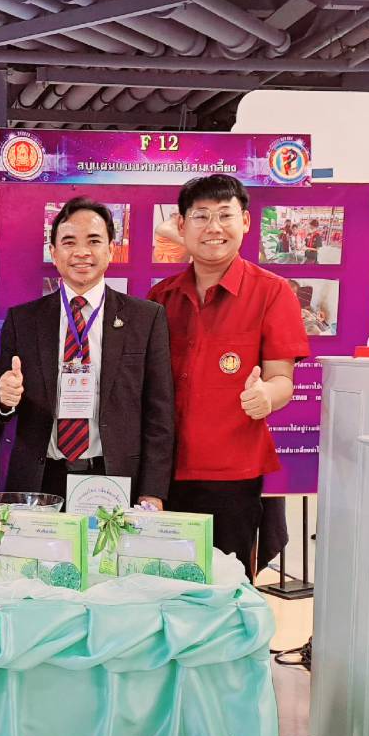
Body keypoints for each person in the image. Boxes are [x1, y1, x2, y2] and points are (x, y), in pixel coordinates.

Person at [149, 174, 310, 579]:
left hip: (230, 475)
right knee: (156, 584)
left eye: (225, 215)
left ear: (246, 222)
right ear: (182, 225)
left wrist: (267, 396)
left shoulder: (272, 292)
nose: (214, 227)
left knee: (226, 589)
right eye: (201, 216)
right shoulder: (160, 297)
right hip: (160, 474)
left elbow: (282, 378)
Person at [0, 196, 174, 506]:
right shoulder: (24, 320)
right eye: (69, 242)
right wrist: (4, 396)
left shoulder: (146, 318)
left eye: (94, 241)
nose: (82, 252)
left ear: (111, 250)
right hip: (41, 478)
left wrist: (153, 491)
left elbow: (160, 413)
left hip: (114, 477)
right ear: (53, 252)